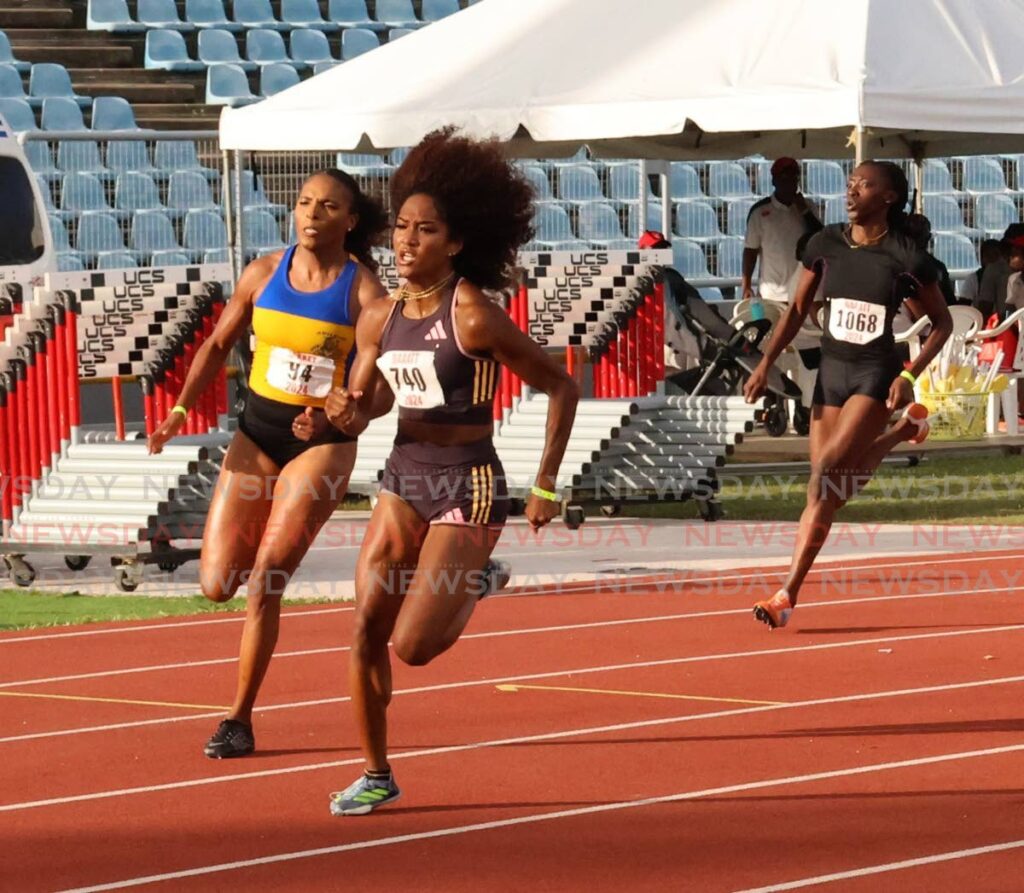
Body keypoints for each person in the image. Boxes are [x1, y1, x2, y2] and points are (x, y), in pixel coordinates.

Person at [324, 128, 580, 815]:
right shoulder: (378, 316)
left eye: (426, 230)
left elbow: (562, 385)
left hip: (469, 482)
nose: (407, 241)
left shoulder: (471, 314)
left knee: (412, 646)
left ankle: (477, 574)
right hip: (404, 474)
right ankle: (376, 772)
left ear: (457, 242)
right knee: (365, 627)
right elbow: (370, 406)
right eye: (402, 227)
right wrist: (342, 413)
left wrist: (546, 485)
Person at [148, 168, 389, 758]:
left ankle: (238, 718)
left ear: (350, 220)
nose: (312, 214)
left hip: (320, 445)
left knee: (265, 581)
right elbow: (215, 345)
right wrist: (179, 411)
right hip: (255, 436)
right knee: (216, 585)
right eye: (304, 202)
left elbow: (380, 391)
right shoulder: (262, 273)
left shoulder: (363, 292)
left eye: (328, 206)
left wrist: (340, 418)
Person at [743, 160, 952, 629]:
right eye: (850, 183)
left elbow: (942, 324)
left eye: (864, 185)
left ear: (889, 197)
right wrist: (764, 363)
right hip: (831, 373)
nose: (852, 191)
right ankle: (902, 433)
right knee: (828, 489)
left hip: (874, 374)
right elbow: (797, 310)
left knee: (825, 477)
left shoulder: (905, 255)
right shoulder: (824, 244)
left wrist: (909, 375)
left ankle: (786, 594)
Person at [741, 157, 823, 308]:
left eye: (793, 178)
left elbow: (819, 236)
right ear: (774, 181)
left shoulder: (808, 206)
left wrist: (804, 211)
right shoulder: (759, 211)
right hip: (774, 292)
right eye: (784, 178)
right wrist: (746, 285)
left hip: (806, 286)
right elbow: (751, 250)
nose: (789, 183)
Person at [903, 213, 956, 305]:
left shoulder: (937, 268)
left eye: (921, 235)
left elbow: (949, 302)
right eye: (916, 235)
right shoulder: (893, 265)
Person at [959, 238, 1001, 308]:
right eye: (988, 256)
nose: (992, 259)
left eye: (995, 256)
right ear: (981, 259)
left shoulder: (1009, 278)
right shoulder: (973, 278)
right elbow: (963, 306)